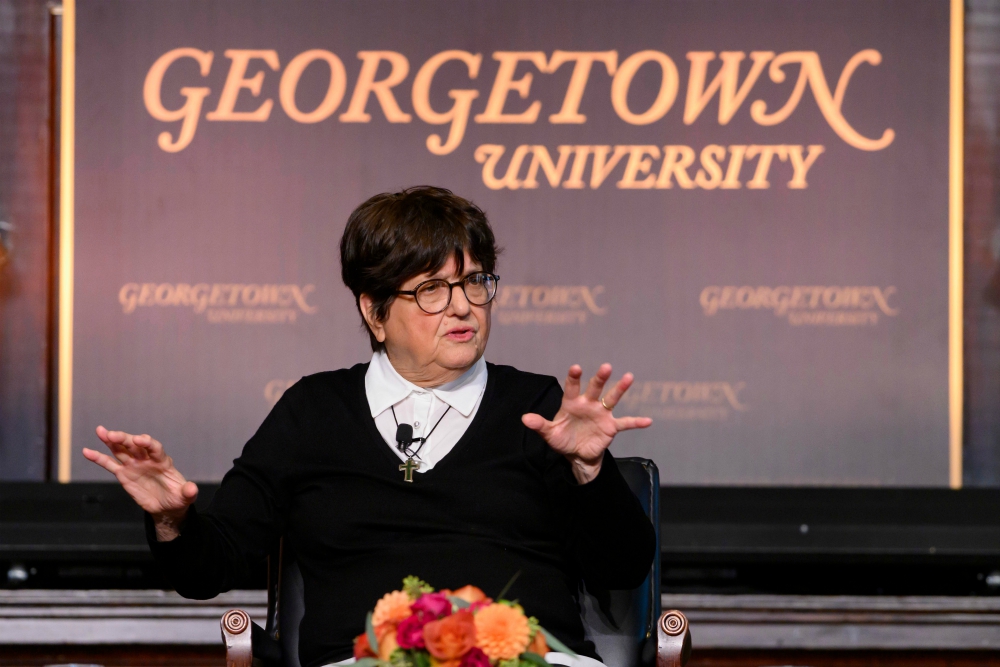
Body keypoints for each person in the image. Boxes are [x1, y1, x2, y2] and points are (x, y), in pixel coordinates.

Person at [83, 186, 656, 667]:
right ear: (374, 311)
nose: (462, 308)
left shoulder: (537, 407)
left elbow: (622, 568)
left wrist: (590, 471)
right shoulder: (313, 412)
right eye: (432, 289)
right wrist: (171, 519)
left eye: (475, 282)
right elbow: (209, 569)